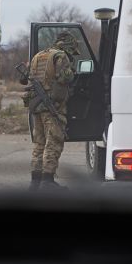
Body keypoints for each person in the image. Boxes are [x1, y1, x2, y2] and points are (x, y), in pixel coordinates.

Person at [22, 31, 79, 190]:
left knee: (39, 143)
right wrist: (72, 71)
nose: (71, 53)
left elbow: (25, 78)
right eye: (72, 50)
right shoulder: (60, 56)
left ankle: (35, 181)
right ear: (67, 45)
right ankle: (47, 181)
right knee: (53, 142)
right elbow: (65, 78)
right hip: (52, 106)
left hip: (36, 105)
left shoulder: (38, 56)